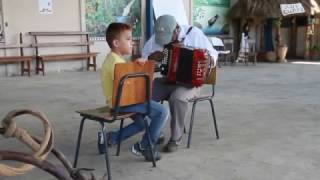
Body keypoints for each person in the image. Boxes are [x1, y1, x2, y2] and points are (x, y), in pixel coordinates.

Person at [142, 15, 218, 152]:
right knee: (141, 93)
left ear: (176, 29)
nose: (164, 41)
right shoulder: (156, 38)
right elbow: (144, 57)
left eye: (168, 37)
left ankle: (175, 138)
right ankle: (155, 130)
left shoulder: (193, 33)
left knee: (177, 98)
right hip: (168, 80)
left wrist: (209, 60)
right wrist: (151, 58)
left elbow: (213, 53)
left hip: (191, 83)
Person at [100, 22, 169, 161]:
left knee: (142, 124)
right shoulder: (116, 63)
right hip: (123, 102)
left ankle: (110, 138)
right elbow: (130, 86)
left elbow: (128, 82)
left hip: (120, 101)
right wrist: (141, 69)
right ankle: (145, 146)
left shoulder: (115, 59)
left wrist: (137, 66)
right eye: (128, 39)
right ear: (116, 43)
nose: (132, 42)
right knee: (162, 112)